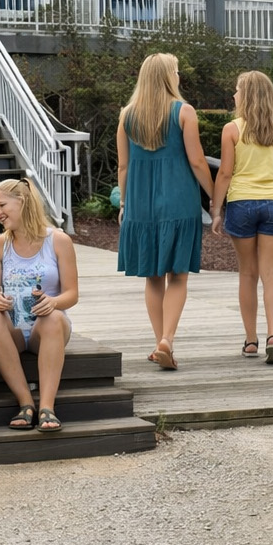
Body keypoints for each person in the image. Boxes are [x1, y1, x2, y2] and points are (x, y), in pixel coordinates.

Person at [116, 52, 214, 371]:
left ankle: (159, 340)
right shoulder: (184, 112)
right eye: (176, 71)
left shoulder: (127, 116)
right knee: (178, 276)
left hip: (141, 206)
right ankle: (167, 340)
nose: (179, 76)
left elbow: (123, 166)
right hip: (179, 201)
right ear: (168, 77)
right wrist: (214, 198)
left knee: (153, 278)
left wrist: (124, 204)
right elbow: (198, 161)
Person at [210, 70, 273, 365]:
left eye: (238, 90)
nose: (234, 95)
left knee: (247, 274)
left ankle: (251, 340)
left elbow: (225, 173)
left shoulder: (232, 130)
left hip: (241, 204)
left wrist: (216, 210)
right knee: (272, 274)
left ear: (248, 96)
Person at [0, 177, 79, 433]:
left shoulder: (58, 241)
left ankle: (48, 406)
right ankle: (25, 402)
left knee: (53, 317)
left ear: (22, 201)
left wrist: (53, 301)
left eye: (2, 205)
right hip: (12, 329)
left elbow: (72, 294)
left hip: (47, 329)